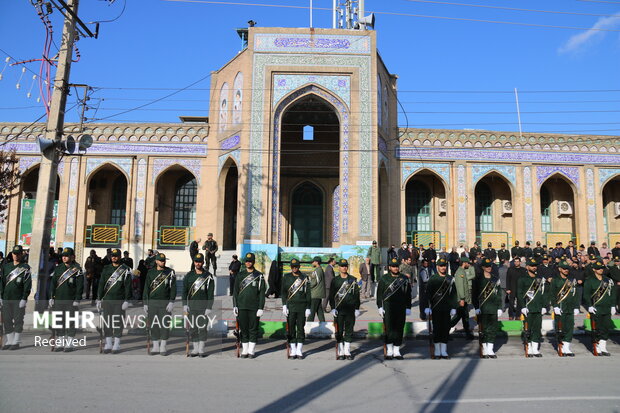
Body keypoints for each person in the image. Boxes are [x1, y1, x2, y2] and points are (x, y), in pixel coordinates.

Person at [96, 248, 132, 354]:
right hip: (107, 300)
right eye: (112, 256)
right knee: (107, 322)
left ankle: (117, 343)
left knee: (117, 322)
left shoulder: (125, 269)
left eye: (116, 256)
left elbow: (128, 286)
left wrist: (127, 300)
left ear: (120, 257)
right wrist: (99, 298)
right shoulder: (106, 268)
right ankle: (108, 343)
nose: (114, 257)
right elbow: (102, 284)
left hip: (119, 300)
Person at [49, 247, 84, 352]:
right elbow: (53, 284)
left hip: (70, 300)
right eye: (63, 256)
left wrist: (77, 299)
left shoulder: (77, 269)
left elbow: (80, 286)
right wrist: (51, 297)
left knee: (70, 322)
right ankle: (60, 342)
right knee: (59, 321)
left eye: (66, 256)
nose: (64, 257)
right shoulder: (58, 268)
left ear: (72, 257)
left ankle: (69, 344)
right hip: (59, 299)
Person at [377, 257, 412, 360]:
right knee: (389, 328)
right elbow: (379, 294)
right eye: (393, 266)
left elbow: (408, 294)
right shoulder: (384, 279)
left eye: (396, 266)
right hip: (388, 307)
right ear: (389, 267)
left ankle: (397, 350)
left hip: (401, 307)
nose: (395, 268)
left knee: (399, 328)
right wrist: (380, 306)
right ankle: (389, 350)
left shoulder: (404, 278)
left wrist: (408, 307)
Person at [233, 252, 266, 358]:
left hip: (254, 307)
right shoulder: (240, 275)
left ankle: (251, 350)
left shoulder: (259, 276)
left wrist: (261, 307)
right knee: (243, 329)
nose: (248, 263)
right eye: (247, 261)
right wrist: (235, 305)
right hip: (242, 306)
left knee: (253, 329)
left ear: (254, 262)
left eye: (250, 261)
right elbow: (235, 292)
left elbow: (262, 293)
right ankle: (245, 349)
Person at [143, 253, 176, 356]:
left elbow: (173, 288)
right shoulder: (150, 273)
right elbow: (146, 288)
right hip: (152, 303)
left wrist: (171, 301)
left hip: (165, 303)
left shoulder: (170, 272)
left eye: (164, 260)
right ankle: (156, 346)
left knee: (164, 325)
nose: (163, 262)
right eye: (161, 260)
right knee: (154, 325)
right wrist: (145, 303)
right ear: (156, 261)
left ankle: (163, 346)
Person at [182, 253, 214, 358]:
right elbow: (184, 292)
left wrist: (209, 307)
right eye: (196, 261)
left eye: (200, 261)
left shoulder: (208, 276)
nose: (198, 263)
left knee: (202, 328)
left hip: (203, 308)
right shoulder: (189, 275)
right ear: (194, 262)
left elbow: (210, 294)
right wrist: (184, 305)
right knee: (193, 328)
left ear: (203, 262)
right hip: (191, 307)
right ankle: (195, 348)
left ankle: (201, 349)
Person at [0, 246, 31, 350]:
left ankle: (16, 341)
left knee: (18, 320)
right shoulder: (6, 267)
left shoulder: (25, 268)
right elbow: (2, 283)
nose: (16, 255)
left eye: (18, 253)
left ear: (21, 254)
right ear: (12, 254)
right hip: (6, 298)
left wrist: (24, 298)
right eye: (14, 253)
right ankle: (10, 340)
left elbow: (27, 284)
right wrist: (1, 296)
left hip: (18, 299)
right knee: (7, 320)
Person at [425, 258, 457, 359]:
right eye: (441, 266)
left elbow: (453, 294)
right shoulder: (433, 279)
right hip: (436, 308)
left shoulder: (450, 278)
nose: (443, 267)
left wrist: (453, 307)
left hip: (446, 308)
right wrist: (427, 307)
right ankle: (437, 350)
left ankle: (444, 350)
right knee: (437, 329)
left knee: (445, 329)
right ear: (437, 267)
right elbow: (428, 294)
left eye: (444, 266)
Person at [329, 259, 360, 360]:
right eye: (342, 266)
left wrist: (357, 308)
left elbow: (356, 295)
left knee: (349, 330)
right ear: (339, 267)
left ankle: (347, 350)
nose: (344, 268)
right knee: (339, 330)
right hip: (339, 309)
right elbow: (331, 295)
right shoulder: (335, 280)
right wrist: (333, 308)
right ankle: (341, 350)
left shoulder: (353, 280)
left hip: (350, 309)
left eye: (345, 266)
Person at [584, 259, 617, 356]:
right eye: (598, 268)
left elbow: (613, 294)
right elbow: (586, 295)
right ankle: (596, 347)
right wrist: (589, 306)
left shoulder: (608, 280)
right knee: (597, 328)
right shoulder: (589, 280)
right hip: (596, 308)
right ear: (594, 269)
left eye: (602, 268)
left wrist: (612, 306)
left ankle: (603, 347)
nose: (601, 270)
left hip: (606, 308)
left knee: (605, 328)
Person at [472, 257, 503, 358]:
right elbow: (474, 295)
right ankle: (485, 348)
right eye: (486, 266)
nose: (489, 268)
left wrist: (499, 307)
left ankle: (490, 349)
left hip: (493, 308)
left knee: (492, 328)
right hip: (483, 308)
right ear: (483, 267)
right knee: (484, 329)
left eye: (490, 266)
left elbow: (499, 294)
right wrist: (476, 307)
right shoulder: (478, 279)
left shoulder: (495, 278)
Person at [517, 258, 548, 357]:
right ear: (527, 267)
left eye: (535, 265)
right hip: (528, 308)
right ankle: (529, 348)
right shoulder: (522, 279)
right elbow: (519, 293)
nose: (534, 267)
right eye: (532, 265)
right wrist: (522, 306)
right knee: (528, 329)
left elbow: (544, 294)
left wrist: (544, 306)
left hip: (538, 307)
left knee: (537, 328)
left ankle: (535, 349)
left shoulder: (540, 279)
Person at [281, 258, 311, 359]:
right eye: (293, 266)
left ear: (299, 266)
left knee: (300, 328)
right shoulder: (286, 277)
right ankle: (293, 348)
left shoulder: (305, 278)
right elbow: (284, 292)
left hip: (302, 307)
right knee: (291, 328)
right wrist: (284, 305)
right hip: (291, 307)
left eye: (296, 266)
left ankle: (299, 349)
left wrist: (308, 307)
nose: (294, 268)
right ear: (290, 267)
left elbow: (308, 294)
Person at [550, 261, 580, 357]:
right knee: (560, 328)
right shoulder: (555, 280)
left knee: (569, 328)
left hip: (570, 308)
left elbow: (575, 295)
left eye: (567, 268)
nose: (566, 270)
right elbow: (552, 295)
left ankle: (567, 347)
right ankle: (561, 345)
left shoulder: (571, 280)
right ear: (559, 269)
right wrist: (555, 306)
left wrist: (576, 307)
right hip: (560, 308)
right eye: (564, 268)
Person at [451, 257, 475, 340]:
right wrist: (462, 299)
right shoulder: (460, 272)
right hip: (461, 299)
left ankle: (468, 334)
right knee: (459, 316)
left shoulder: (462, 271)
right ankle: (445, 331)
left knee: (464, 316)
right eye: (468, 263)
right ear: (464, 263)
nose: (469, 264)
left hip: (463, 299)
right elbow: (460, 287)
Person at [308, 257, 325, 322]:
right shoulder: (320, 269)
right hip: (319, 293)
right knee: (319, 310)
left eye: (313, 261)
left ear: (316, 262)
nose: (312, 263)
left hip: (315, 293)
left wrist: (308, 287)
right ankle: (323, 323)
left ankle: (308, 325)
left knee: (311, 311)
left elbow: (315, 282)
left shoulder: (317, 270)